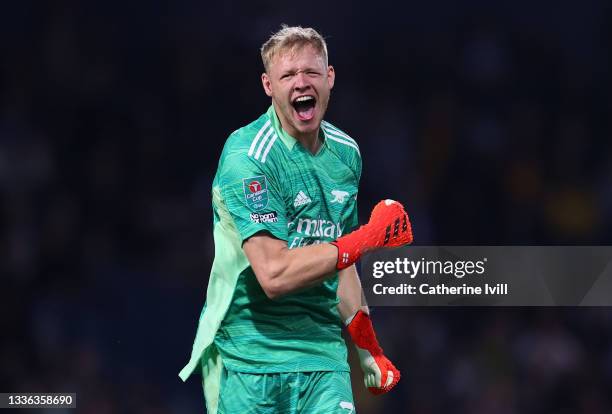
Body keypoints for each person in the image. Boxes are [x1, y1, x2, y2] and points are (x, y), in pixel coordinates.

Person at [179, 25, 413, 413]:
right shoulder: (248, 156)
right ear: (268, 86)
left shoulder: (346, 154)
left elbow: (342, 266)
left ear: (330, 78)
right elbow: (274, 275)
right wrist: (369, 236)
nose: (301, 82)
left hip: (323, 356)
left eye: (311, 72)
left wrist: (368, 348)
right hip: (249, 360)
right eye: (288, 75)